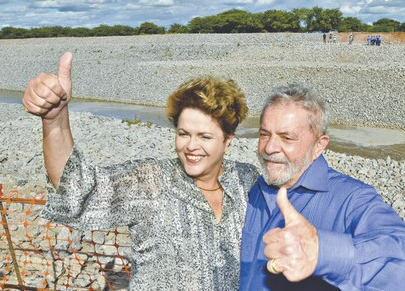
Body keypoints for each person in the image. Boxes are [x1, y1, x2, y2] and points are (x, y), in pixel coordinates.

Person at [22, 52, 259, 290]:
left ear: (228, 140)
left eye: (205, 136)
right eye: (183, 133)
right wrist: (55, 119)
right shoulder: (151, 181)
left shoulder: (245, 180)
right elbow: (78, 189)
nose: (191, 146)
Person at [239, 84, 405, 290]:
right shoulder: (251, 189)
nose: (269, 147)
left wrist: (323, 252)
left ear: (319, 146)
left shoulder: (353, 199)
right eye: (264, 134)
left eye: (286, 138)